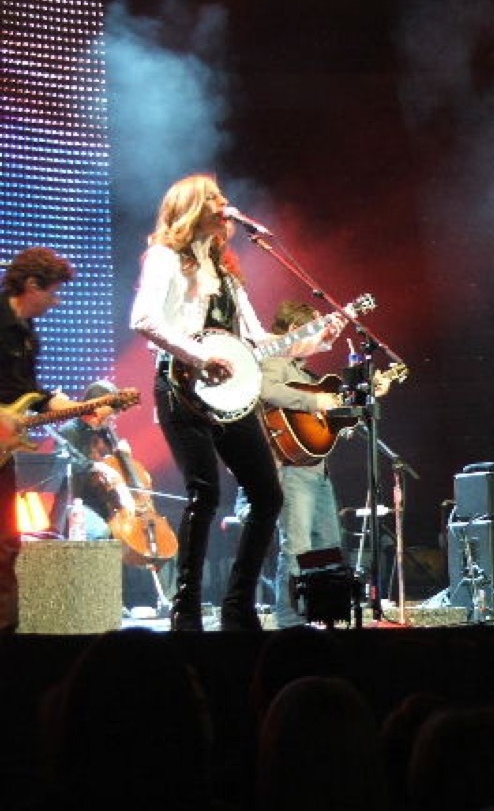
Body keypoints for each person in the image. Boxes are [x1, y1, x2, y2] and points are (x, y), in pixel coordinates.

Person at [129, 173, 283, 632]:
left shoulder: (229, 275)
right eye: (214, 197)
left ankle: (239, 606)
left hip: (229, 397)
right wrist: (199, 356)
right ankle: (187, 608)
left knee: (267, 495)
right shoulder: (164, 258)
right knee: (206, 493)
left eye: (223, 196)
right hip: (181, 389)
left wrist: (308, 341)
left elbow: (257, 340)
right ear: (192, 205)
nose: (224, 203)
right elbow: (144, 319)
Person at [0, 247, 80, 634]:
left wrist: (70, 406)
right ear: (31, 285)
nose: (56, 300)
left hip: (3, 453)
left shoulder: (29, 334)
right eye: (53, 292)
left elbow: (27, 390)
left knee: (7, 541)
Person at [259, 299, 346, 629]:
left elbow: (316, 423)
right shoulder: (274, 358)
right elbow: (267, 390)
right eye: (317, 331)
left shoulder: (305, 371)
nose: (322, 340)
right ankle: (289, 621)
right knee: (298, 547)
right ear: (297, 329)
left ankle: (325, 616)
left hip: (315, 468)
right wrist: (314, 400)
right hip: (291, 469)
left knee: (327, 546)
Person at [53, 380, 129, 540]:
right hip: (76, 504)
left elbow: (116, 475)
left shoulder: (106, 434)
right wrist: (94, 466)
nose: (114, 417)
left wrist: (125, 460)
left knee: (126, 537)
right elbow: (60, 464)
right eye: (111, 412)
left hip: (105, 505)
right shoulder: (69, 430)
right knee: (101, 533)